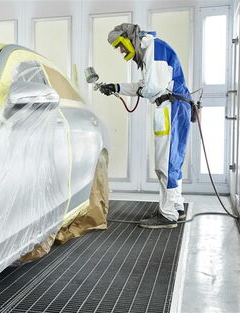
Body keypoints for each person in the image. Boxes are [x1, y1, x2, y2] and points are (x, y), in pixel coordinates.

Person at [99, 23, 191, 229]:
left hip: (171, 108)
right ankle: (176, 207)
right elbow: (145, 85)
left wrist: (140, 91)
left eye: (121, 45)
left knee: (164, 163)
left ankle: (167, 215)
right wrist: (116, 87)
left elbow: (151, 88)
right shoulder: (152, 50)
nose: (121, 50)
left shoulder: (154, 48)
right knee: (171, 161)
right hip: (172, 107)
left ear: (128, 39)